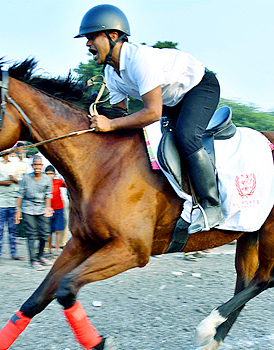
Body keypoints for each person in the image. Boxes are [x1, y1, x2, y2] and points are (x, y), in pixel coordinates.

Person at [77, 5, 223, 233]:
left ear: (113, 35)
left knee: (186, 137)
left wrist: (111, 124)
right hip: (172, 101)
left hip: (200, 87)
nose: (87, 44)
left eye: (91, 37)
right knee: (159, 144)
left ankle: (211, 205)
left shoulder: (139, 59)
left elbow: (152, 113)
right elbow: (120, 113)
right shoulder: (110, 72)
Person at [15, 156, 54, 268]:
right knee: (32, 234)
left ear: (42, 166)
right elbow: (20, 194)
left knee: (45, 233)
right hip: (28, 208)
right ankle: (33, 260)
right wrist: (18, 210)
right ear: (32, 166)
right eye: (35, 164)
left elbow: (48, 195)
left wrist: (47, 208)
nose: (37, 167)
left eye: (39, 165)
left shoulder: (47, 179)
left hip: (42, 208)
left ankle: (40, 255)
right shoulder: (26, 178)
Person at [0, 148, 24, 263]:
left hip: (13, 200)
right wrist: (1, 182)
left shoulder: (16, 162)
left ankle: (14, 253)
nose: (6, 150)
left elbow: (22, 181)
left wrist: (14, 180)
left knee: (13, 230)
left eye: (8, 148)